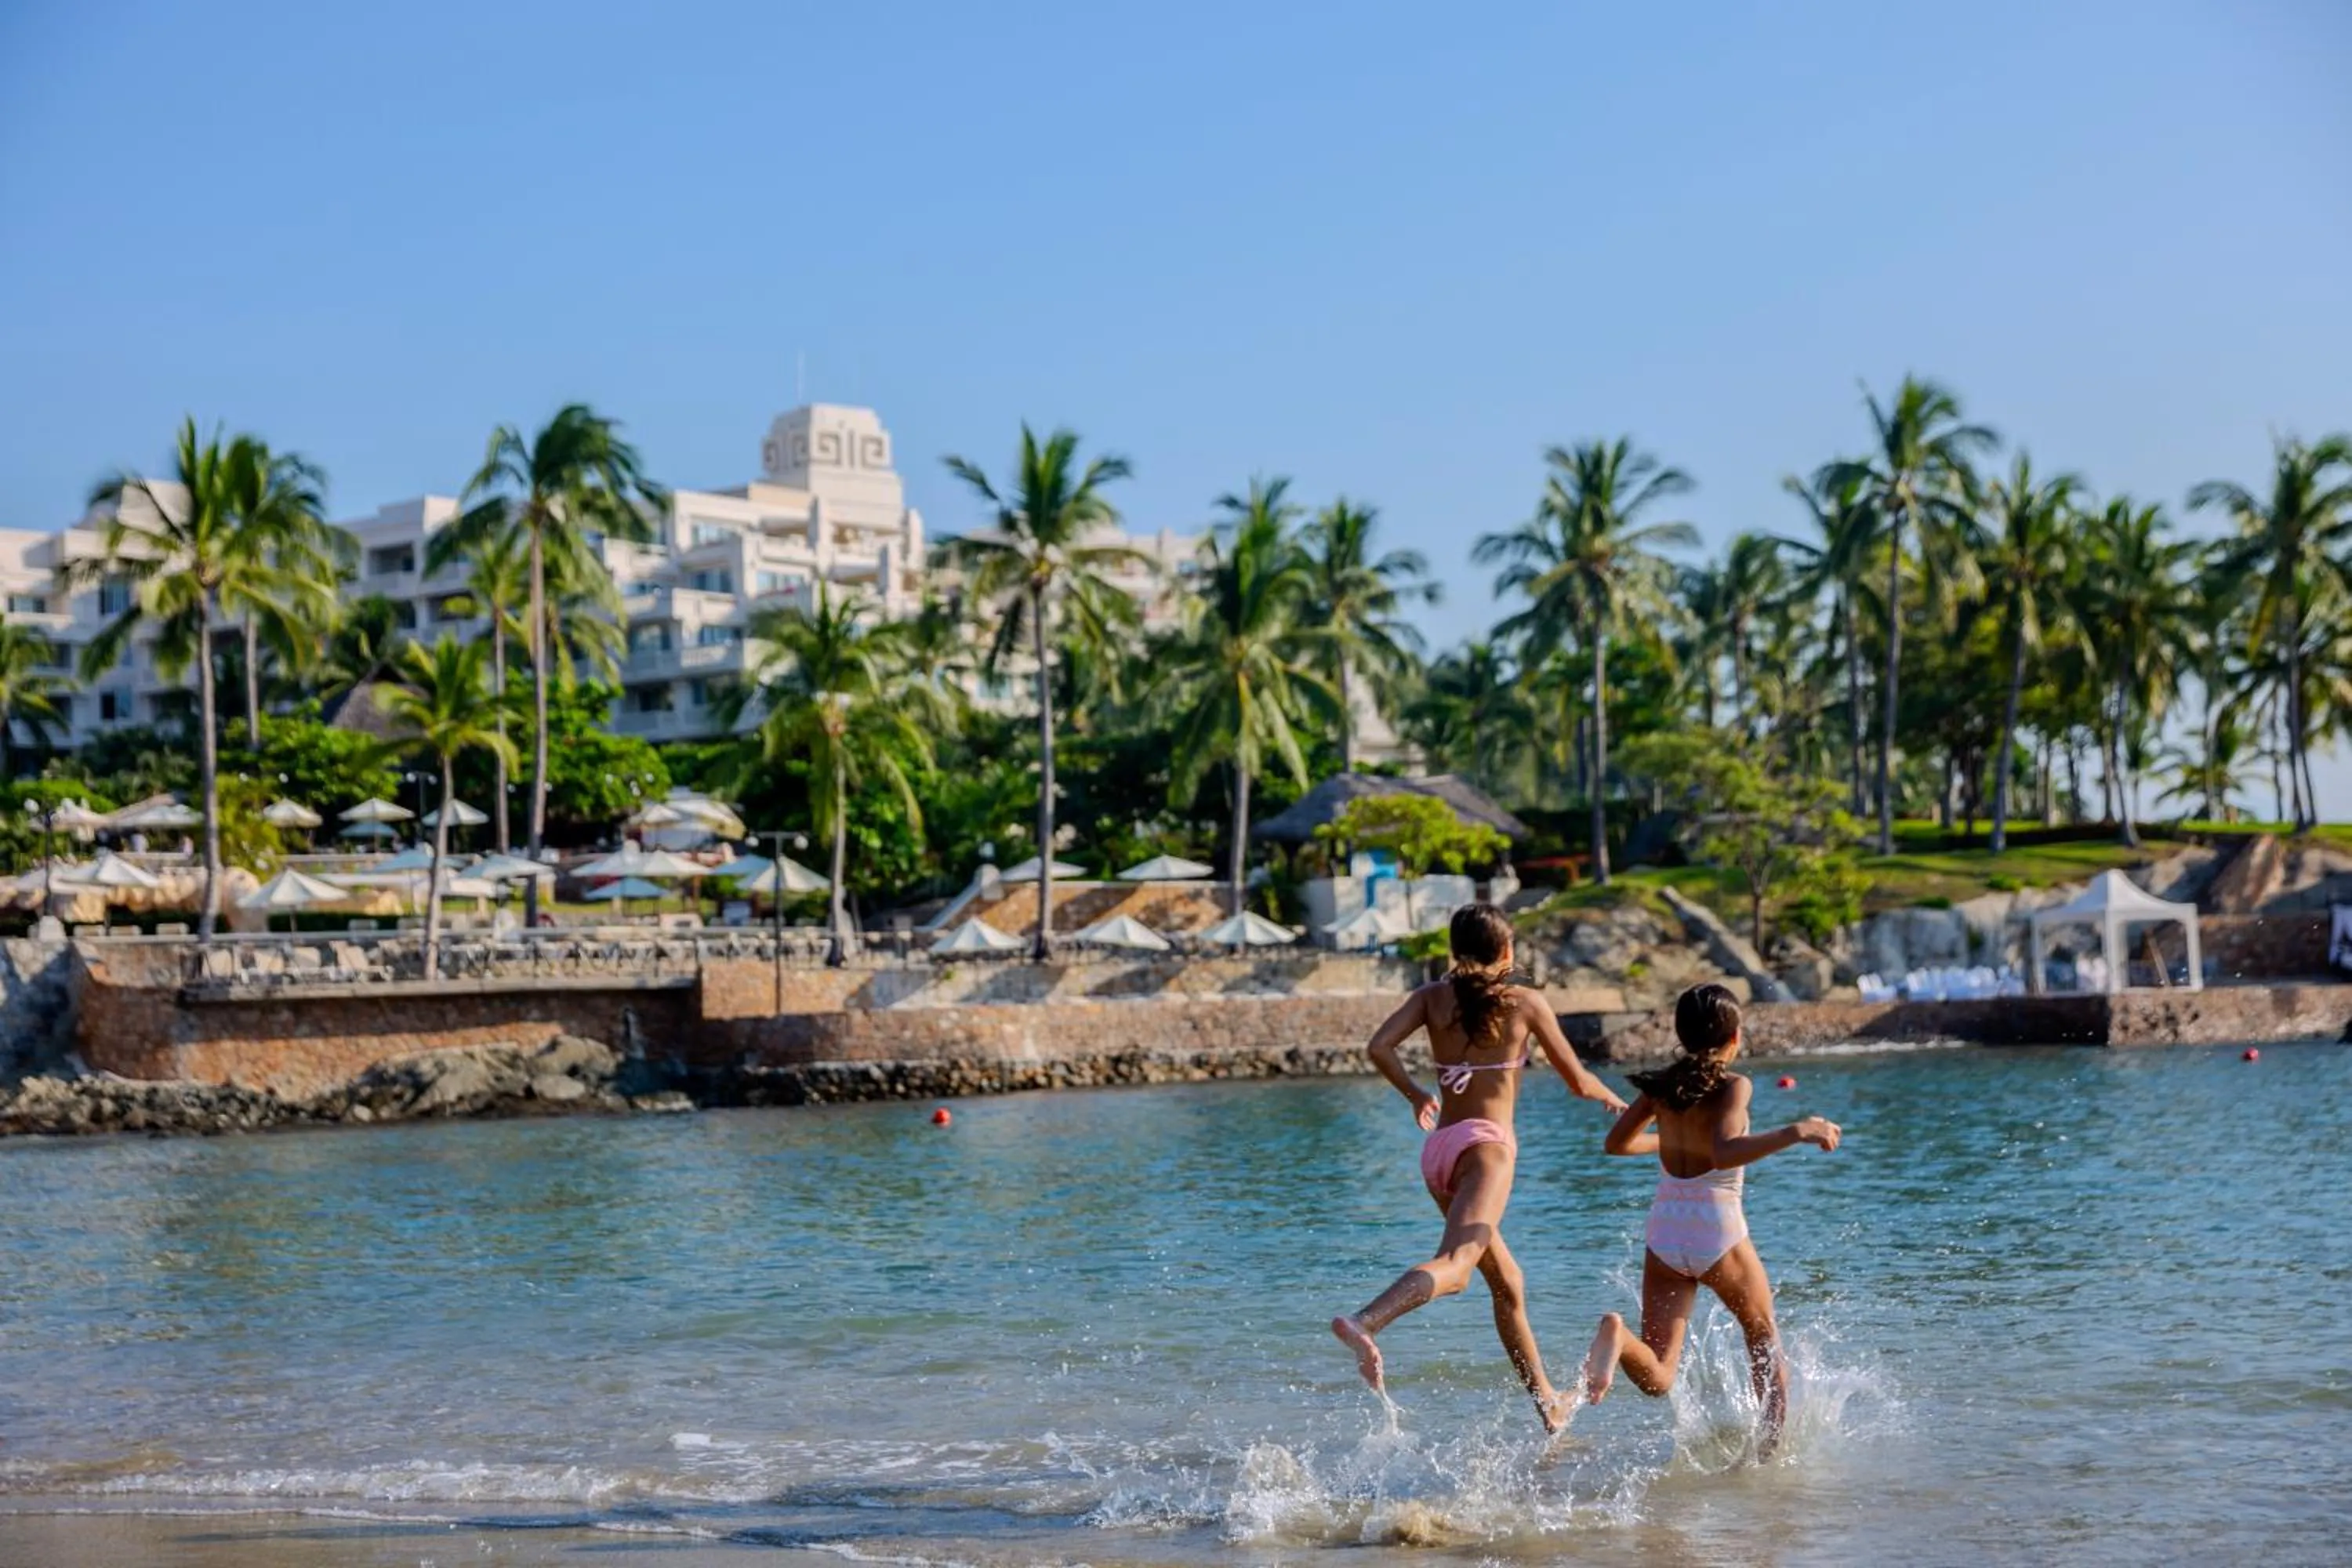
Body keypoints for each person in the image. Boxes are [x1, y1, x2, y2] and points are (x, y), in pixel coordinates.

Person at [1331, 903, 1629, 1432]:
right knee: (1458, 1265)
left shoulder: (1431, 997)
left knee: (1508, 1283)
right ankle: (1366, 1321)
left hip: (1440, 1151)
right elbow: (1579, 1081)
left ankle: (1548, 1403)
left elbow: (1379, 1047)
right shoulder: (1525, 1003)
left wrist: (1416, 1094)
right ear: (1507, 952)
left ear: (1456, 950)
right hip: (1486, 1150)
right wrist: (1617, 1102)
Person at [1580, 983, 1840, 1456]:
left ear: (1681, 1034)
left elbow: (1616, 1144)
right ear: (1735, 1037)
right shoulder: (1735, 1085)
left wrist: (1669, 1141)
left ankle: (1617, 1336)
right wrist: (1796, 1130)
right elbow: (1723, 1153)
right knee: (1763, 1340)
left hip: (1665, 1231)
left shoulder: (1662, 1087)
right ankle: (1769, 1461)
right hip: (1716, 1230)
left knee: (1659, 1375)